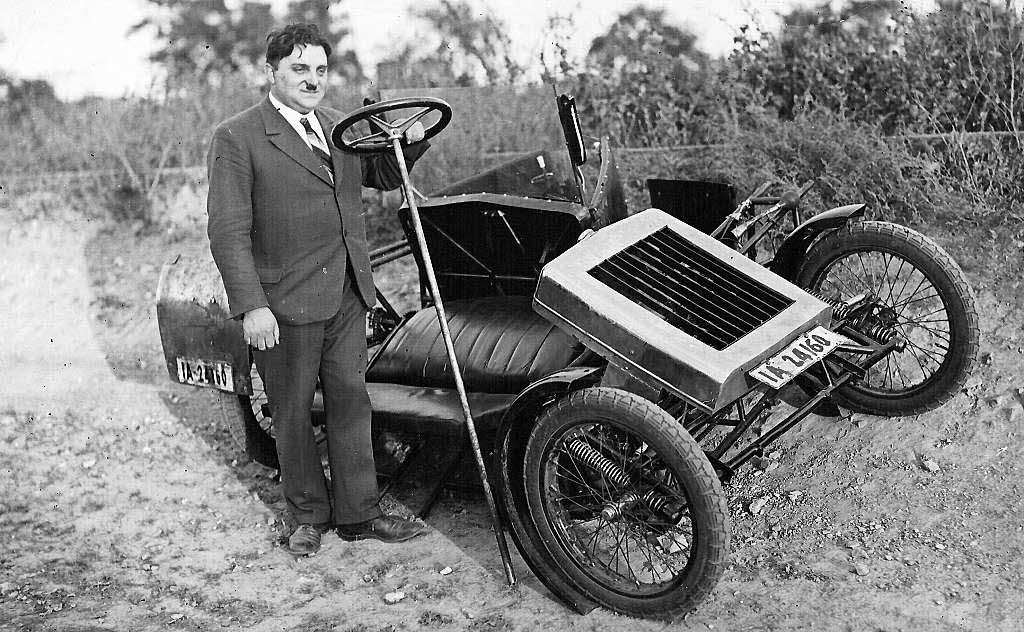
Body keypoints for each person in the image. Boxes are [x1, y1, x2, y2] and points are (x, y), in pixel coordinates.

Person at [207, 23, 430, 556]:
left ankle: (359, 514)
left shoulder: (338, 127)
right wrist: (252, 307)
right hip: (282, 304)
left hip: (349, 294)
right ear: (272, 72)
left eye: (320, 70)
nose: (312, 80)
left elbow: (380, 172)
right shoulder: (237, 137)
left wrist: (410, 143)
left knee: (351, 404)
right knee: (292, 409)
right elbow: (227, 230)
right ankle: (306, 516)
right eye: (299, 69)